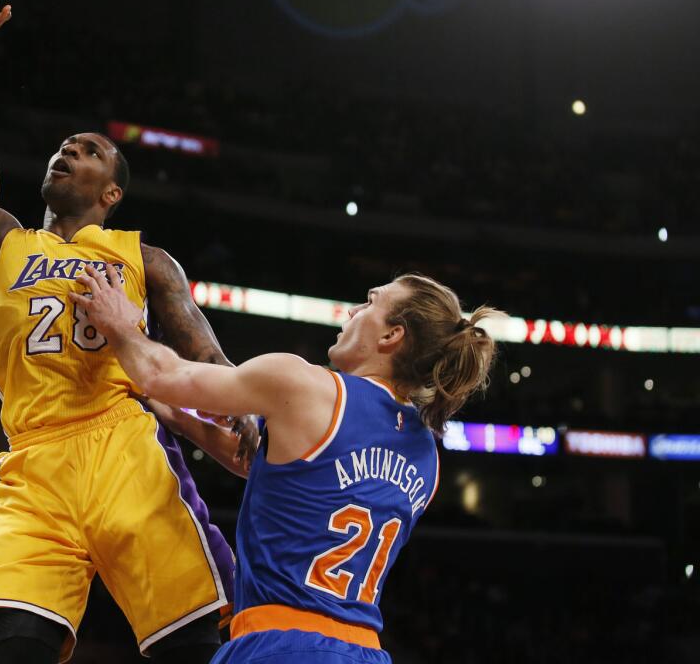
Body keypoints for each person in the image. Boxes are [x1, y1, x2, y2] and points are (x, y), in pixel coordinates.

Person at [0, 0, 256, 664]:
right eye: (64, 144)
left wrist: (248, 418)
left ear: (111, 191)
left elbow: (207, 360)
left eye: (89, 150)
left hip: (125, 447)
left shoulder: (147, 259)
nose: (69, 150)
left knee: (197, 649)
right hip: (33, 457)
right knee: (16, 648)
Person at [72, 269, 501, 663]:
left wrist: (119, 322)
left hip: (280, 644)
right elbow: (300, 483)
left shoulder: (306, 384)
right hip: (365, 650)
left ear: (392, 335)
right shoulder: (427, 453)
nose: (353, 310)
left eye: (370, 302)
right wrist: (187, 423)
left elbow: (163, 375)